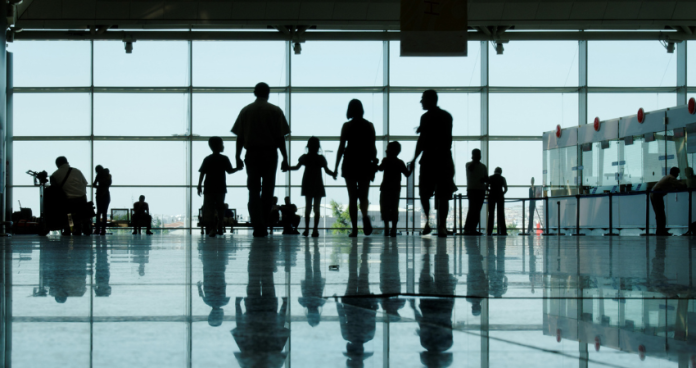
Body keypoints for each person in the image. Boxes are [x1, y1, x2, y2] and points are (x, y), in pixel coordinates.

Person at [231, 82, 291, 237]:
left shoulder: (246, 111)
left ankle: (257, 224)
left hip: (252, 154)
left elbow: (240, 137)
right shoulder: (275, 111)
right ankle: (264, 223)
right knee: (267, 191)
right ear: (268, 93)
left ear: (254, 93)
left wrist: (237, 157)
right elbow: (280, 138)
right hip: (270, 154)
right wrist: (285, 157)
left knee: (253, 190)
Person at [409, 90, 457, 238]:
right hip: (444, 158)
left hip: (429, 159)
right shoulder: (447, 116)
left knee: (424, 193)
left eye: (423, 99)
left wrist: (414, 159)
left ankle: (428, 222)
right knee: (443, 194)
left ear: (430, 100)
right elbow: (446, 139)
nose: (421, 102)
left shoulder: (426, 117)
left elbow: (422, 141)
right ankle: (441, 225)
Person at [333, 99, 378, 237]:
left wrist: (335, 167)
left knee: (352, 197)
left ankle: (354, 229)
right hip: (364, 163)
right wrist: (373, 162)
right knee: (363, 196)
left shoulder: (347, 126)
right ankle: (364, 215)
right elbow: (373, 148)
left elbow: (341, 147)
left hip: (350, 163)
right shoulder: (369, 126)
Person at [289, 137, 335, 237]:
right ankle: (315, 230)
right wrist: (334, 174)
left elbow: (296, 167)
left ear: (308, 146)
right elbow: (327, 170)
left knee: (308, 207)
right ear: (318, 147)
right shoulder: (321, 158)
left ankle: (306, 229)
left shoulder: (305, 157)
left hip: (307, 183)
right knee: (317, 208)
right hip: (318, 183)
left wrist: (288, 167)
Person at [197, 137, 237, 237]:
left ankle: (212, 229)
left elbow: (202, 173)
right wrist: (238, 168)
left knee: (209, 209)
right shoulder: (224, 158)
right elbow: (230, 171)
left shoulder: (207, 159)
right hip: (220, 187)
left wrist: (199, 186)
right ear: (219, 146)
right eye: (222, 144)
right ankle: (219, 227)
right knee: (220, 208)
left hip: (209, 187)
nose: (223, 146)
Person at [49, 156, 90, 236]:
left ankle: (69, 229)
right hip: (81, 198)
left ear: (57, 164)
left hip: (68, 200)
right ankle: (79, 229)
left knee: (69, 215)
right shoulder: (77, 171)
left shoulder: (55, 174)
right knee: (80, 214)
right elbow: (85, 183)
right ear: (67, 162)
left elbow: (54, 190)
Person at [378, 141, 411, 237]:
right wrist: (411, 166)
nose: (386, 150)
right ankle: (393, 229)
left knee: (384, 208)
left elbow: (379, 169)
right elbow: (407, 174)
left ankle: (386, 228)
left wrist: (373, 163)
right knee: (394, 208)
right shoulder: (400, 162)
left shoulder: (385, 160)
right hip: (395, 189)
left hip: (385, 188)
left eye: (387, 148)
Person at [197, 243, 230, 327]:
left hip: (220, 275)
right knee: (209, 258)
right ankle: (210, 243)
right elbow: (201, 294)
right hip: (208, 275)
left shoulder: (225, 301)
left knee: (221, 255)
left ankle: (220, 242)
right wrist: (199, 286)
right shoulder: (207, 301)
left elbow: (226, 289)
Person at [651, 167, 686, 235]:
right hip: (657, 195)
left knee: (659, 214)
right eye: (677, 173)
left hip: (655, 194)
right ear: (675, 173)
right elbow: (680, 185)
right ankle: (661, 231)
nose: (678, 175)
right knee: (660, 214)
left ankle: (660, 230)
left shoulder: (667, 177)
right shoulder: (671, 178)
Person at [463, 149, 488, 235]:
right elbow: (486, 178)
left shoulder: (472, 165)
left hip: (474, 189)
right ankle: (470, 228)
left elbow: (486, 178)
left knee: (475, 210)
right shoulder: (472, 165)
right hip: (477, 190)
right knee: (474, 210)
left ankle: (470, 228)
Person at [487, 167, 508, 236]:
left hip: (491, 196)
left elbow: (486, 187)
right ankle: (503, 231)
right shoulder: (502, 178)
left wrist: (490, 191)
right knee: (501, 214)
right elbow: (505, 188)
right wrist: (502, 193)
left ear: (494, 171)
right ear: (501, 172)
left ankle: (489, 231)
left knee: (491, 214)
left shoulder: (490, 177)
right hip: (500, 196)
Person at [93, 165, 112, 236]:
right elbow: (108, 184)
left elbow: (94, 184)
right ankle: (103, 230)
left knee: (98, 213)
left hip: (99, 195)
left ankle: (97, 229)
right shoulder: (108, 176)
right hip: (106, 195)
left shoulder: (98, 176)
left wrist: (99, 187)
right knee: (104, 213)